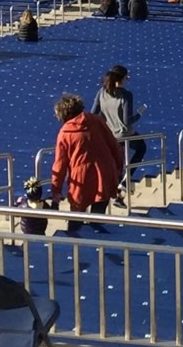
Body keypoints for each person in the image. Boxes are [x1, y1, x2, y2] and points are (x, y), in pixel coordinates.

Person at [50, 93, 125, 235]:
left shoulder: (65, 133)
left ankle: (74, 244)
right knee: (98, 218)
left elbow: (60, 165)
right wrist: (118, 169)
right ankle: (97, 244)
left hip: (81, 179)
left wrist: (56, 191)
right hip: (104, 173)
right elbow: (114, 145)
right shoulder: (97, 121)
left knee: (76, 217)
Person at [97, 64, 148, 168]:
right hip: (125, 134)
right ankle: (126, 180)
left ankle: (117, 179)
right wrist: (139, 114)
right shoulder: (126, 95)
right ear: (124, 78)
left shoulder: (101, 92)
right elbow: (127, 121)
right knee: (141, 148)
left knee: (116, 159)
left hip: (109, 133)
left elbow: (94, 113)